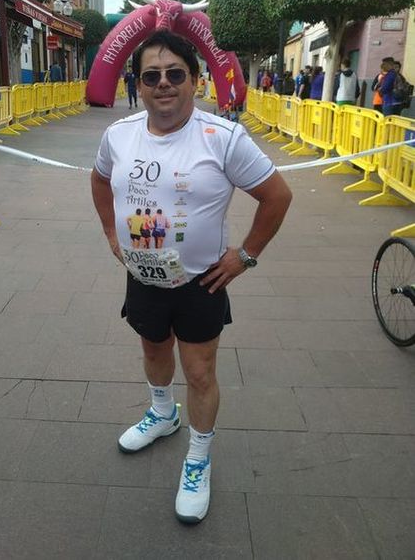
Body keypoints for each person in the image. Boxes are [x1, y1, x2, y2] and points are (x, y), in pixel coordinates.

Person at [91, 30, 292, 524]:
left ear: (195, 79)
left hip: (202, 282)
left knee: (199, 373)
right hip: (144, 276)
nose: (163, 83)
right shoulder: (119, 135)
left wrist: (245, 256)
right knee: (153, 351)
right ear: (138, 84)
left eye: (174, 73)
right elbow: (99, 179)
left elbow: (277, 196)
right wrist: (112, 235)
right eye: (151, 76)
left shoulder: (223, 138)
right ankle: (162, 414)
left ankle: (198, 458)